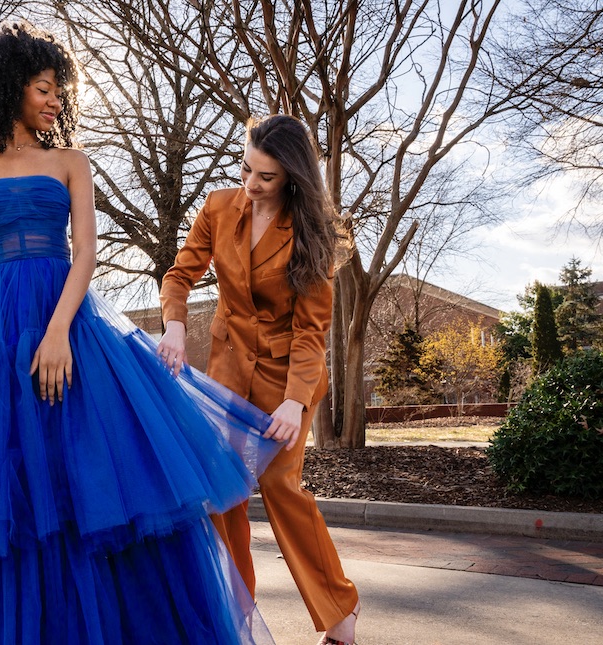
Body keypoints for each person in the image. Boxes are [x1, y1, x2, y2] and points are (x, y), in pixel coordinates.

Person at [0, 21, 282, 644]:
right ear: (8, 85)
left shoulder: (71, 162)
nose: (55, 101)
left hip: (70, 328)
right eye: (44, 87)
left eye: (58, 90)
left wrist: (59, 332)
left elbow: (86, 257)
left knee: (88, 482)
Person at [158, 114, 361, 645]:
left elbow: (312, 331)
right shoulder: (220, 208)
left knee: (277, 486)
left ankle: (341, 611)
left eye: (265, 177)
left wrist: (295, 404)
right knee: (222, 492)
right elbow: (180, 275)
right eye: (246, 168)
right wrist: (175, 326)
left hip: (286, 378)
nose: (251, 184)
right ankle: (239, 616)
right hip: (227, 372)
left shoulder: (317, 231)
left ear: (292, 176)